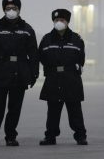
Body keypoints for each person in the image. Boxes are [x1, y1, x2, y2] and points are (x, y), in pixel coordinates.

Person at [0, 0, 39, 147]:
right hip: (1, 73)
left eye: (14, 8)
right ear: (4, 10)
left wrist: (34, 73)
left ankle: (10, 137)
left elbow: (33, 54)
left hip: (20, 73)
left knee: (15, 108)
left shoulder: (27, 30)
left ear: (19, 10)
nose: (11, 11)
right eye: (8, 8)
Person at [38, 8, 88, 145]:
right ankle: (50, 136)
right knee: (53, 111)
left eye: (62, 20)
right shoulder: (46, 39)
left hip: (71, 79)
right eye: (56, 20)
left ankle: (80, 136)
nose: (59, 22)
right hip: (53, 78)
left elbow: (81, 58)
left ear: (67, 21)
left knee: (75, 111)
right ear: (53, 21)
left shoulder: (76, 39)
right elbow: (41, 57)